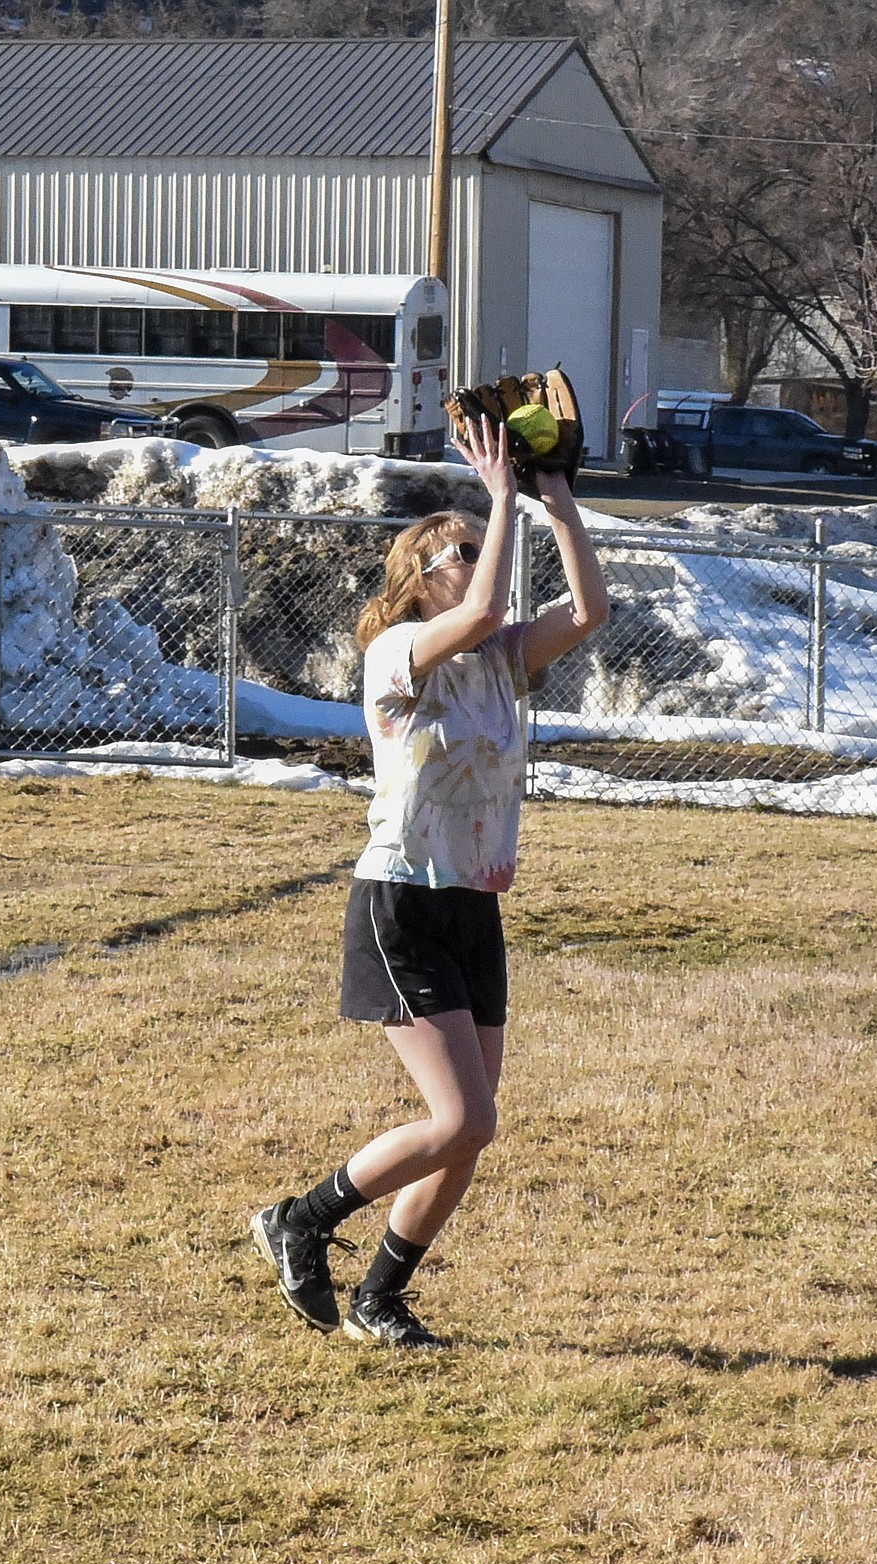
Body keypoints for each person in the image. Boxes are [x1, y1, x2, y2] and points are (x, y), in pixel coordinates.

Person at [250, 416, 609, 1348]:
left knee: (470, 1130)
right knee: (461, 1113)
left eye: (479, 544)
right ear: (420, 577)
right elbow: (484, 610)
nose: (477, 555)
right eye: (460, 549)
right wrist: (497, 492)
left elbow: (591, 608)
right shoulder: (394, 657)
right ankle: (303, 1218)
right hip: (401, 900)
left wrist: (555, 492)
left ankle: (380, 1296)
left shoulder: (500, 663)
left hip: (472, 905)